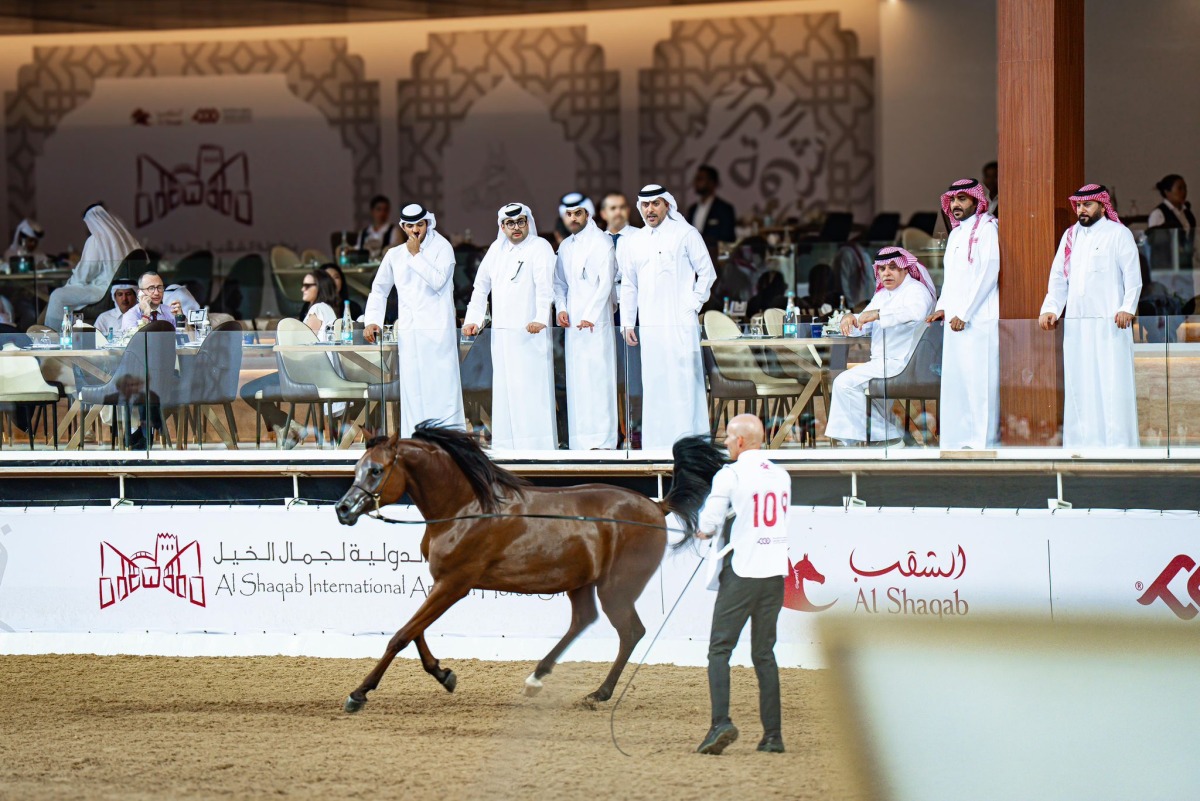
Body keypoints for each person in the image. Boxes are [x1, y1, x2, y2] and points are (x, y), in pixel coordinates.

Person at [694, 414, 791, 756]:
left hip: (742, 571)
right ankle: (773, 736)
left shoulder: (730, 474)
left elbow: (711, 519)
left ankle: (720, 722)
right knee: (764, 654)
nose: (724, 442)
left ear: (741, 442)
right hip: (775, 573)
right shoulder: (781, 475)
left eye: (728, 437)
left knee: (719, 650)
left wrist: (703, 531)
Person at [1039, 184, 1141, 448]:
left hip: (1111, 326)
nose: (1081, 210)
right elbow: (1059, 277)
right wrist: (1051, 308)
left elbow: (1133, 277)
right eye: (1079, 205)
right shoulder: (1071, 236)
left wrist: (1127, 307)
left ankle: (1119, 447)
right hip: (1077, 326)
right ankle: (1082, 447)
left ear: (1102, 205)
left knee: (1112, 384)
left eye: (1088, 205)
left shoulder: (1119, 234)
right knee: (1080, 383)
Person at [618, 184, 716, 450]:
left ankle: (689, 447)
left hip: (681, 324)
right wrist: (628, 321)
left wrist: (692, 305)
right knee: (656, 384)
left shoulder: (686, 234)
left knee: (684, 385)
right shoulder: (633, 241)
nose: (650, 210)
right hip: (650, 326)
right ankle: (658, 447)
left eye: (656, 204)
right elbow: (629, 284)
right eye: (646, 205)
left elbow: (707, 273)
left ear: (667, 206)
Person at [363, 203, 465, 438]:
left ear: (427, 223)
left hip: (439, 333)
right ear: (403, 227)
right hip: (410, 334)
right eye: (410, 226)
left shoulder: (443, 248)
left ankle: (450, 444)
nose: (416, 230)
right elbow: (379, 290)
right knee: (414, 391)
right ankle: (416, 443)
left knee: (442, 390)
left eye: (420, 224)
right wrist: (372, 320)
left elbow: (438, 281)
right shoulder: (394, 255)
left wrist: (416, 255)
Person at [462, 202, 557, 450]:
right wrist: (473, 319)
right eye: (510, 223)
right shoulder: (496, 250)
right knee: (506, 391)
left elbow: (546, 288)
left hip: (532, 334)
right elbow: (481, 287)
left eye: (521, 222)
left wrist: (540, 317)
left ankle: (538, 450)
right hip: (503, 338)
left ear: (528, 222)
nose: (516, 228)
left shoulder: (540, 247)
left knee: (531, 392)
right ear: (502, 226)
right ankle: (507, 449)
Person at [824, 247, 936, 445]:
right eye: (882, 269)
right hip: (881, 363)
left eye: (893, 267)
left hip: (905, 363)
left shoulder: (917, 291)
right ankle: (892, 440)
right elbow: (864, 324)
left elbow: (916, 314)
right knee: (866, 396)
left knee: (844, 383)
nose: (886, 273)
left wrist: (877, 314)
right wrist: (851, 319)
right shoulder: (882, 295)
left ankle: (890, 437)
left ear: (905, 269)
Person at [927, 178, 1000, 449]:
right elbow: (952, 279)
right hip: (955, 320)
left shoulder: (989, 229)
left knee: (980, 381)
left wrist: (966, 313)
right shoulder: (956, 233)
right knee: (958, 381)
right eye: (953, 200)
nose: (956, 205)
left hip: (979, 320)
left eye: (962, 200)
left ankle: (983, 442)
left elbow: (988, 275)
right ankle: (957, 441)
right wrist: (942, 307)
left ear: (976, 201)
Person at [239, 269, 340, 448]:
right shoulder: (328, 310)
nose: (302, 289)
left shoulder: (317, 309)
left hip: (306, 375)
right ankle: (284, 429)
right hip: (320, 375)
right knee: (254, 390)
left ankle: (289, 426)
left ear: (321, 287)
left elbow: (301, 347)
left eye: (308, 285)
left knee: (248, 390)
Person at [554, 192, 617, 449]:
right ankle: (580, 442)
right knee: (578, 382)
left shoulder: (603, 243)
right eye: (568, 214)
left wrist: (590, 316)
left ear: (588, 214)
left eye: (577, 213)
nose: (573, 218)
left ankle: (604, 442)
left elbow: (605, 284)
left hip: (597, 324)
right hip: (573, 329)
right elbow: (558, 284)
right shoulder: (566, 247)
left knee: (600, 381)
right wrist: (561, 308)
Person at [45, 204, 141, 320]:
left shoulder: (96, 239)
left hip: (104, 293)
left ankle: (52, 336)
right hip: (128, 291)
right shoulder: (129, 239)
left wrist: (70, 282)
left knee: (57, 296)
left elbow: (85, 274)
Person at [686, 165, 737, 244]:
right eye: (696, 179)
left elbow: (728, 238)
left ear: (711, 183)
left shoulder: (724, 209)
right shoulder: (692, 209)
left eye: (700, 179)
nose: (696, 182)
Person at [119, 271, 184, 330]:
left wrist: (180, 319)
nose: (156, 293)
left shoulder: (171, 312)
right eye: (151, 288)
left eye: (159, 287)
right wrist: (146, 315)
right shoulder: (130, 315)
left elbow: (184, 340)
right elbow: (135, 341)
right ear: (140, 292)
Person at [355, 195, 398, 260]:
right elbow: (357, 250)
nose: (382, 213)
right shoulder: (364, 232)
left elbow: (397, 252)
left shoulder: (393, 231)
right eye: (379, 209)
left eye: (385, 210)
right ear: (372, 211)